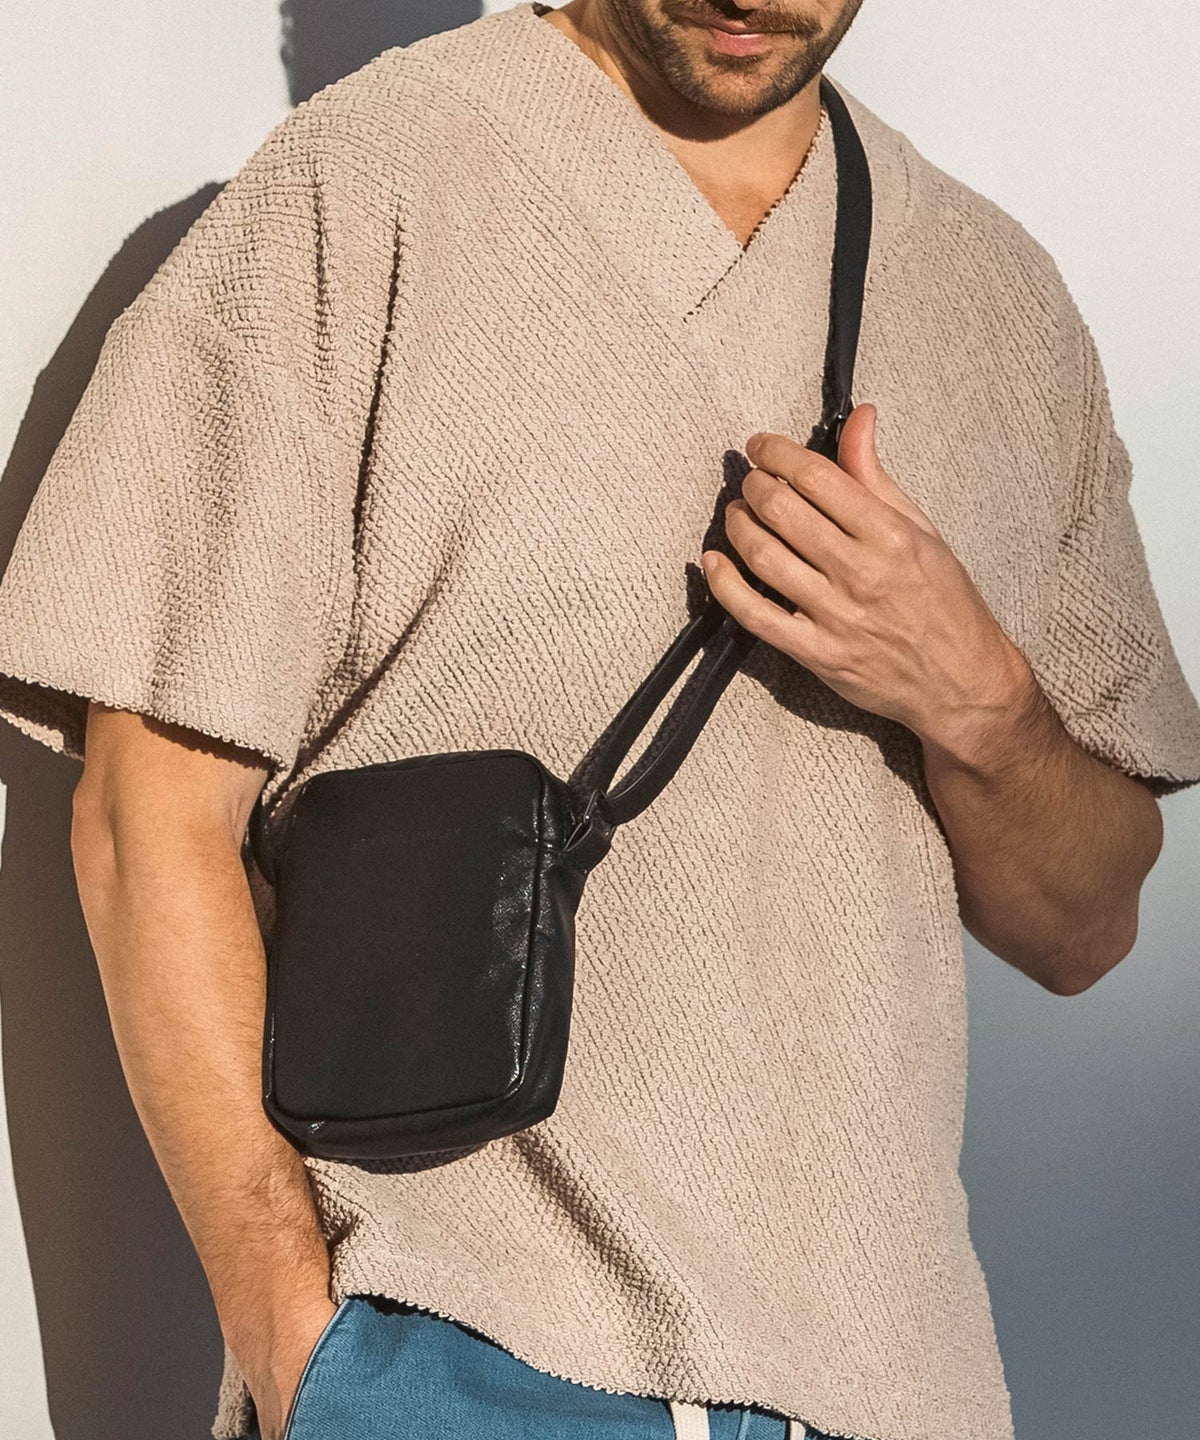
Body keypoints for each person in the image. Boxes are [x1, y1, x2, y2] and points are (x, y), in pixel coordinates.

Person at [0, 2, 1198, 1438]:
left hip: (890, 1386)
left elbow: (1086, 926)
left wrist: (981, 700)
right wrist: (305, 1353)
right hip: (459, 1354)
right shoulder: (359, 186)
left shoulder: (997, 302)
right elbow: (148, 812)